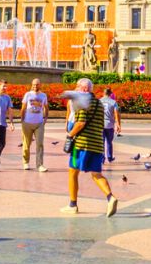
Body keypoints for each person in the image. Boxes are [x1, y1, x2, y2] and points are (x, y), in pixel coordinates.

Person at [61, 78, 117, 216]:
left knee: (72, 172)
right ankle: (110, 197)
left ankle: (73, 205)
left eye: (78, 87)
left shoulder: (82, 103)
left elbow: (81, 123)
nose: (76, 90)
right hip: (97, 145)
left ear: (84, 89)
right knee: (96, 174)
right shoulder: (99, 103)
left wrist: (70, 135)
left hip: (82, 145)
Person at [20, 79, 48, 172]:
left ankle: (39, 165)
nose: (35, 86)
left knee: (40, 144)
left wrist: (45, 119)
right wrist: (22, 120)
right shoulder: (28, 94)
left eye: (37, 85)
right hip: (27, 123)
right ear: (32, 85)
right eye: (34, 85)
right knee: (26, 144)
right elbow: (23, 108)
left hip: (39, 124)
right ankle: (25, 162)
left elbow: (46, 108)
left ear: (40, 85)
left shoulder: (43, 95)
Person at [100, 88, 121, 163]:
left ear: (103, 93)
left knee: (101, 142)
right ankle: (109, 157)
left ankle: (102, 159)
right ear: (110, 94)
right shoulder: (113, 102)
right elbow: (116, 114)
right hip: (109, 125)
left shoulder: (99, 101)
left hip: (100, 124)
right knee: (109, 141)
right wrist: (118, 124)